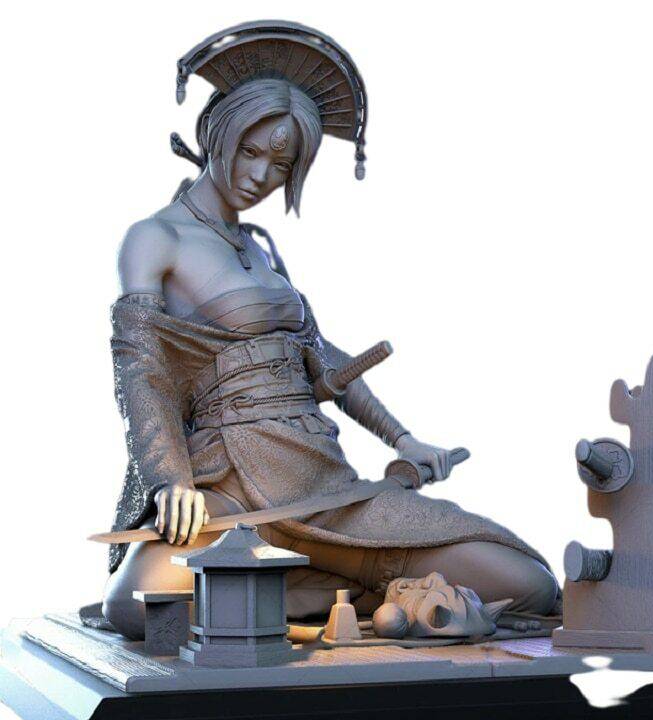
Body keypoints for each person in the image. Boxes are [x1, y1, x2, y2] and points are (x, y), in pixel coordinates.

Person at [101, 23, 559, 640]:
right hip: (228, 484)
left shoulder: (262, 250)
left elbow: (322, 358)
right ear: (219, 131)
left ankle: (335, 591)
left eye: (281, 163)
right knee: (137, 604)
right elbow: (141, 369)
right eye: (250, 150)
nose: (260, 175)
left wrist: (403, 439)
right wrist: (170, 481)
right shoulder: (154, 237)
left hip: (321, 477)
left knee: (529, 583)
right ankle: (336, 599)